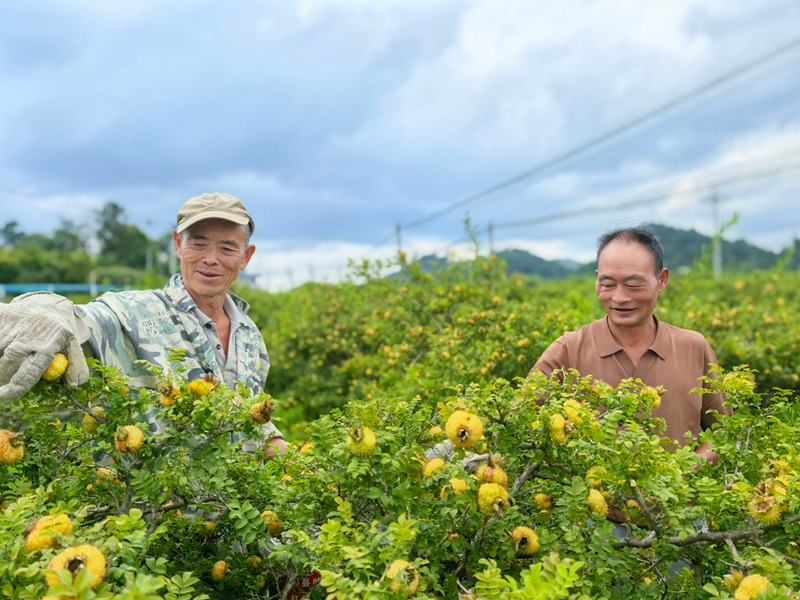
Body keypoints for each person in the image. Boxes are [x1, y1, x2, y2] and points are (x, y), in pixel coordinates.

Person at [0, 192, 287, 456]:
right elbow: (79, 319)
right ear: (178, 244)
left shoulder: (249, 335)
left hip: (231, 508)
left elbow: (247, 418)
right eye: (198, 243)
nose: (210, 259)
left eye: (227, 247)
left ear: (246, 257)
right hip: (150, 507)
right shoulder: (133, 312)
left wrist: (295, 459)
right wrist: (41, 314)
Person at [529, 226, 731, 462]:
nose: (620, 297)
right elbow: (520, 422)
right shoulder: (568, 350)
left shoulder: (693, 347)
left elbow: (723, 431)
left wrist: (686, 472)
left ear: (662, 280)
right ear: (597, 281)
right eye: (608, 284)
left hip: (680, 498)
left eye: (634, 285)